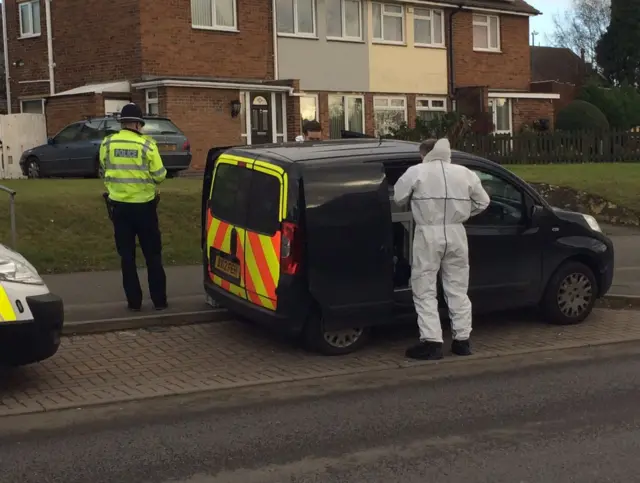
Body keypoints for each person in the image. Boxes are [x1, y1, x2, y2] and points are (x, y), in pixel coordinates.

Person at [393, 138, 490, 360]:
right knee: (457, 288)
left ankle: (432, 342)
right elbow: (483, 202)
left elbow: (398, 197)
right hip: (456, 232)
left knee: (424, 287)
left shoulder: (416, 171)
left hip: (428, 233)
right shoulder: (465, 173)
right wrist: (462, 214)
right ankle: (462, 341)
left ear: (424, 154)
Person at [99, 102, 168, 312]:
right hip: (145, 208)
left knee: (127, 257)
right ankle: (159, 301)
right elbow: (160, 176)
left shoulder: (107, 143)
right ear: (138, 124)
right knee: (153, 255)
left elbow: (103, 169)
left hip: (119, 208)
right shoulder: (147, 145)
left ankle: (134, 303)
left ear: (122, 123)